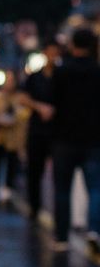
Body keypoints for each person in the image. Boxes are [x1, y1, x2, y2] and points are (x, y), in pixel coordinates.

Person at [41, 27, 100, 254]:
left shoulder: (61, 71)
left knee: (62, 190)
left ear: (72, 45)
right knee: (95, 188)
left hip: (64, 139)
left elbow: (51, 104)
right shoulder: (97, 71)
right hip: (93, 139)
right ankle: (94, 230)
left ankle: (62, 237)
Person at [17, 41, 61, 220]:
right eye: (50, 52)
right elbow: (22, 98)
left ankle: (58, 213)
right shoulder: (34, 77)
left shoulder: (62, 76)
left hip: (57, 131)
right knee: (34, 171)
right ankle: (34, 207)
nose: (52, 56)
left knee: (59, 174)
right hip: (36, 130)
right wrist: (39, 107)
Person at [0, 70, 29, 204]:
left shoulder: (20, 97)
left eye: (12, 80)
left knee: (11, 161)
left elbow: (24, 115)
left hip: (13, 136)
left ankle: (7, 186)